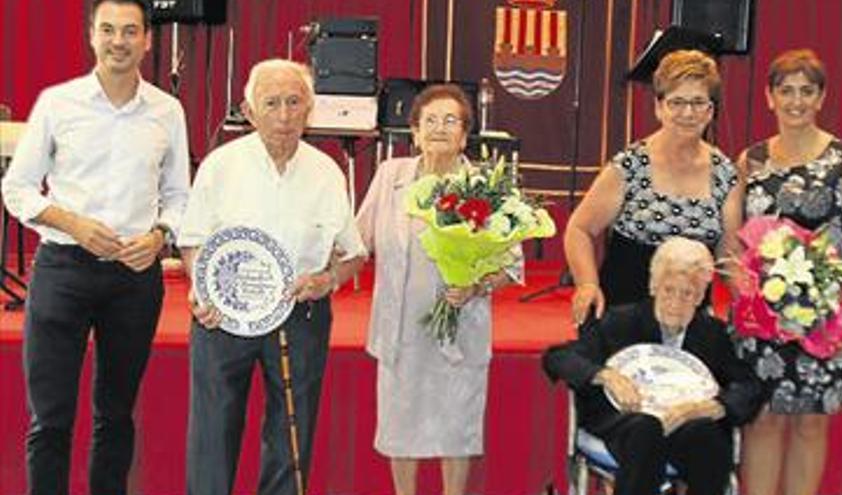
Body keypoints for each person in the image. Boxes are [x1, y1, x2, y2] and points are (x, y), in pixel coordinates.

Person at [0, 0, 190, 493]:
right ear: (91, 36)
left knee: (116, 415)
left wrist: (159, 236)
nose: (118, 41)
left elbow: (179, 196)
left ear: (148, 39)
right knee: (50, 418)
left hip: (134, 277)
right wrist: (72, 223)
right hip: (63, 268)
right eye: (107, 30)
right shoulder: (58, 103)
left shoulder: (168, 112)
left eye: (130, 31)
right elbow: (16, 188)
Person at [178, 59, 366, 495]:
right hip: (221, 319)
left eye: (294, 102)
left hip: (300, 315)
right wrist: (200, 289)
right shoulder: (220, 166)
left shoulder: (326, 172)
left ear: (310, 109)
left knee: (292, 439)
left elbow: (353, 253)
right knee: (212, 434)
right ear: (249, 110)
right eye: (272, 103)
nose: (284, 115)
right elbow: (191, 241)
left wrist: (328, 281)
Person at [355, 84, 521, 495]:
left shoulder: (486, 185)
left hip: (460, 327)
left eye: (451, 121)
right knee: (400, 424)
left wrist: (477, 285)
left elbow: (511, 264)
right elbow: (357, 241)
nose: (439, 129)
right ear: (414, 132)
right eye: (429, 120)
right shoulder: (390, 176)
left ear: (465, 135)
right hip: (401, 326)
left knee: (456, 425)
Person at [730, 48, 842, 495]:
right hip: (763, 312)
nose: (796, 101)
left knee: (811, 423)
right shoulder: (749, 160)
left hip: (828, 312)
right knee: (764, 419)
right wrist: (740, 285)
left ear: (821, 97)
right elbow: (734, 237)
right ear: (769, 97)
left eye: (806, 91)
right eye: (786, 91)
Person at [544, 237, 763, 495]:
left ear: (700, 297)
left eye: (688, 293)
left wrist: (713, 407)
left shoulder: (712, 334)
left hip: (686, 426)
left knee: (707, 436)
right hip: (624, 423)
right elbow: (559, 357)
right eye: (669, 289)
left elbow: (749, 386)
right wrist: (606, 376)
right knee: (646, 429)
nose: (676, 301)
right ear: (653, 287)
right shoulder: (620, 321)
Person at [565, 49, 740, 325]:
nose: (687, 112)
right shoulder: (630, 166)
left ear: (710, 112)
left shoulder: (726, 174)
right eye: (677, 102)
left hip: (690, 323)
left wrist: (751, 303)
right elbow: (579, 229)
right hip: (622, 318)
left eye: (698, 102)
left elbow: (729, 258)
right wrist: (587, 284)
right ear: (659, 107)